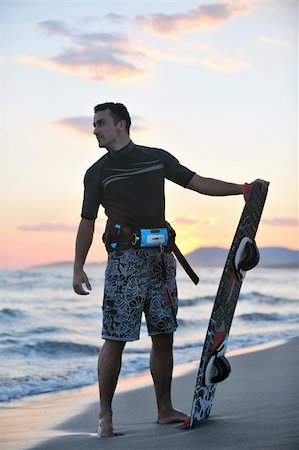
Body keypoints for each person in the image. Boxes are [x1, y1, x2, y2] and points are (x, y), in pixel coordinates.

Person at [72, 102, 266, 438]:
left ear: (121, 124)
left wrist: (242, 190)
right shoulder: (97, 172)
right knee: (115, 339)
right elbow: (87, 223)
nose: (95, 130)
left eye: (101, 123)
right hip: (124, 264)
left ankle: (164, 410)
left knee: (164, 336)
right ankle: (105, 418)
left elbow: (197, 182)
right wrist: (78, 267)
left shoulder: (155, 157)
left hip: (162, 261)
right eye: (94, 124)